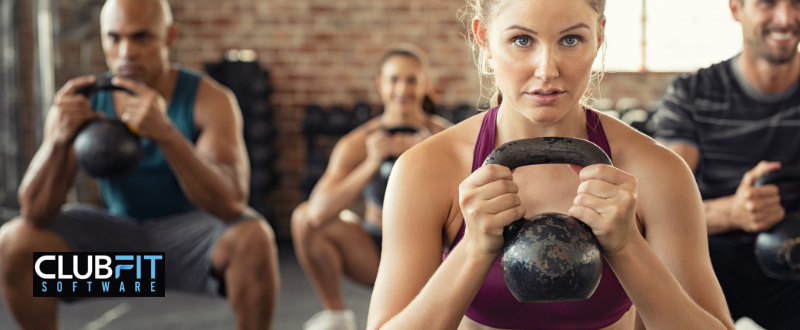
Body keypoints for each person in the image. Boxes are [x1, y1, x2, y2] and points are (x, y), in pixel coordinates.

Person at [366, 0, 737, 329]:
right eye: (522, 40)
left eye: (570, 39)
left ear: (599, 37)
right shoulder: (426, 169)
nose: (547, 69)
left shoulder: (657, 171)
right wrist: (473, 249)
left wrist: (627, 247)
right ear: (484, 38)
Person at [0, 1, 279, 329]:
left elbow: (231, 205)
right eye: (114, 38)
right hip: (119, 263)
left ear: (170, 36)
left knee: (254, 238)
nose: (126, 52)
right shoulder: (83, 102)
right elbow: (35, 213)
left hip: (193, 251)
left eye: (141, 37)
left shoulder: (211, 100)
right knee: (13, 241)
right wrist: (58, 141)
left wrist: (167, 134)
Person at [652, 0, 800, 328]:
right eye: (768, 3)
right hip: (710, 263)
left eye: (796, 3)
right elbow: (659, 209)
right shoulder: (691, 94)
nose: (786, 18)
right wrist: (733, 212)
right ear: (736, 9)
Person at [291, 45, 452, 330]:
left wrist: (426, 157)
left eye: (411, 80)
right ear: (380, 83)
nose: (402, 89)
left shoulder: (446, 137)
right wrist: (371, 163)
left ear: (425, 83)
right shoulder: (357, 143)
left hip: (434, 252)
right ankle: (337, 317)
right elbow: (316, 213)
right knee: (302, 218)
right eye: (394, 80)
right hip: (376, 249)